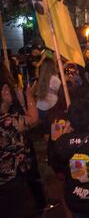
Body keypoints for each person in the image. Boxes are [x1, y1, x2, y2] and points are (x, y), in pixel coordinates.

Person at [0, 70, 39, 218]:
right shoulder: (8, 122)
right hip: (10, 184)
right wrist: (29, 95)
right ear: (4, 91)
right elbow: (33, 119)